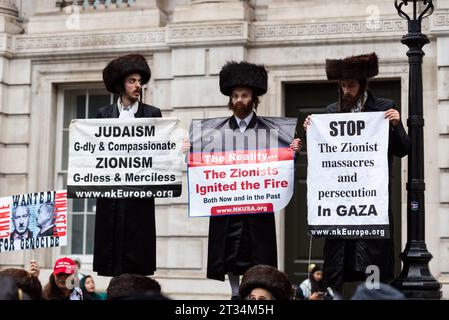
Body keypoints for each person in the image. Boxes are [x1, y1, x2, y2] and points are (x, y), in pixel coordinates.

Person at [303, 53, 410, 295]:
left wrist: (395, 125)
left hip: (370, 202)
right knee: (337, 264)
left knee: (372, 264)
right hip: (339, 203)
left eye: (350, 85)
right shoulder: (330, 112)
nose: (345, 90)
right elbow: (322, 158)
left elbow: (404, 149)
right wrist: (312, 131)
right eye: (342, 86)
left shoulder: (384, 108)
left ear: (363, 85)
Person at [203, 61, 301, 299]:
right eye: (235, 95)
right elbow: (203, 168)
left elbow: (282, 168)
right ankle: (235, 294)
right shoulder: (214, 131)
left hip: (257, 205)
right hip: (227, 205)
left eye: (244, 95)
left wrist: (293, 153)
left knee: (256, 250)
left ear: (253, 98)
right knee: (230, 252)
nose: (239, 100)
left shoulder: (271, 131)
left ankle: (256, 295)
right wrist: (191, 151)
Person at [94, 53, 161, 277]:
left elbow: (161, 152)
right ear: (120, 84)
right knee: (112, 258)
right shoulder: (103, 115)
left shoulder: (152, 114)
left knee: (138, 261)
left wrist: (177, 147)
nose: (137, 85)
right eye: (132, 81)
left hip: (139, 199)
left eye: (140, 81)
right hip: (111, 199)